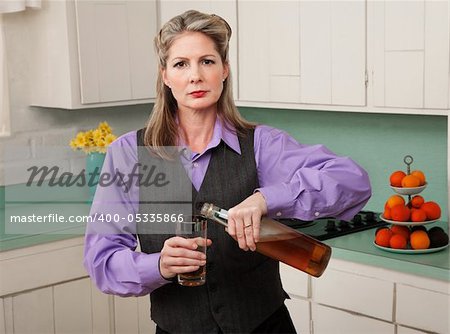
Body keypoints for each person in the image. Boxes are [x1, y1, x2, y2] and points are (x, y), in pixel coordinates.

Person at [84, 10, 371, 334]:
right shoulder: (128, 154)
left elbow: (353, 180)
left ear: (224, 70)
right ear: (165, 76)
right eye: (181, 64)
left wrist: (267, 199)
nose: (195, 76)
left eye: (207, 61)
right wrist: (159, 265)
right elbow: (102, 262)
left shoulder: (261, 144)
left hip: (265, 326)